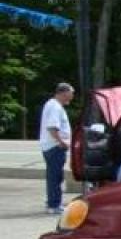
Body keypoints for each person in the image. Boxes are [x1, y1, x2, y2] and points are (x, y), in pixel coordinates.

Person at [39, 82, 75, 214]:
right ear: (63, 93)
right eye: (70, 94)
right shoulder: (55, 107)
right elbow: (52, 127)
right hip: (55, 146)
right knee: (55, 176)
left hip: (51, 146)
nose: (71, 97)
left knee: (53, 175)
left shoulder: (52, 105)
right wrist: (61, 141)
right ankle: (54, 205)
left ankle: (52, 202)